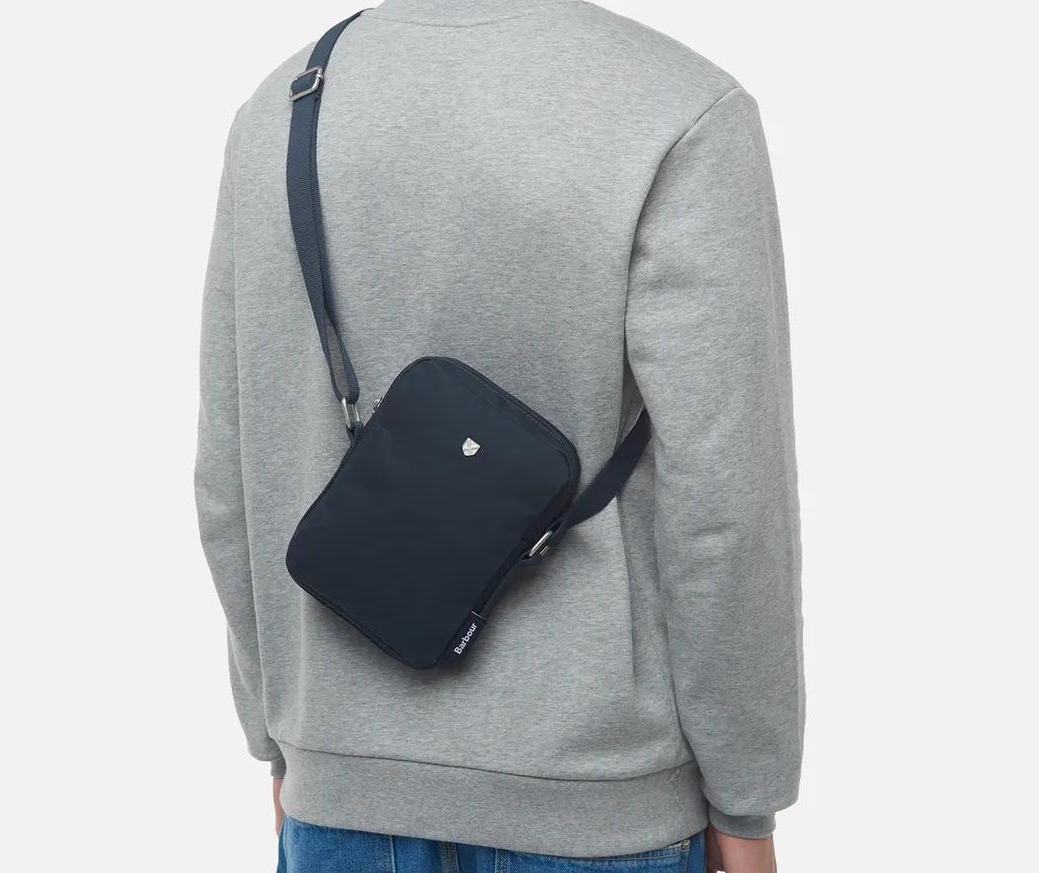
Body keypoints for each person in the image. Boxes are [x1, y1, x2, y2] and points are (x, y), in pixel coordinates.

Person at [195, 1, 803, 871]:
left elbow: (228, 480)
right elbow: (726, 506)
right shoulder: (680, 109)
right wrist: (747, 799)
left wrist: (282, 739)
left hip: (336, 791)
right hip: (597, 797)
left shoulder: (280, 108)